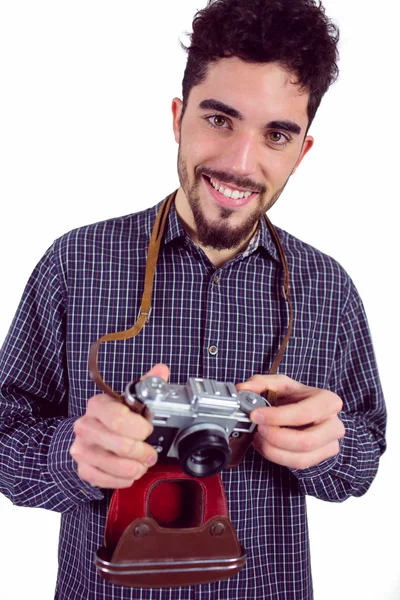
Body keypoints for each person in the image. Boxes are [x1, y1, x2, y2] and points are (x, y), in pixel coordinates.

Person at [0, 0, 387, 599]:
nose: (240, 163)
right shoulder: (74, 263)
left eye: (277, 135)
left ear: (303, 150)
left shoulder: (328, 287)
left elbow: (365, 456)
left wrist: (328, 448)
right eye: (219, 119)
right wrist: (69, 455)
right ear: (178, 117)